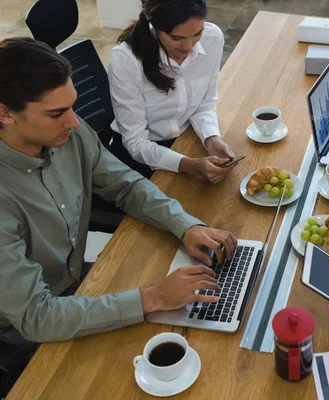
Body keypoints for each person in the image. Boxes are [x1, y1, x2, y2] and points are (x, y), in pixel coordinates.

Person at [0, 37, 236, 394]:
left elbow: (124, 185)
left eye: (72, 107)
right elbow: (36, 316)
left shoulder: (68, 134)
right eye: (55, 113)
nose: (74, 123)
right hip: (20, 327)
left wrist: (185, 224)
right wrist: (152, 297)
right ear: (4, 113)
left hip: (76, 285)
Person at [108, 0, 235, 182]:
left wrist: (211, 137)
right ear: (156, 27)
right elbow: (135, 142)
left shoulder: (212, 38)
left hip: (183, 141)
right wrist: (188, 165)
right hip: (139, 158)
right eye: (177, 38)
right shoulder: (125, 60)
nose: (189, 47)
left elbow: (203, 105)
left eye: (197, 34)